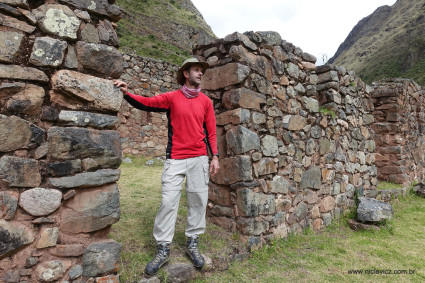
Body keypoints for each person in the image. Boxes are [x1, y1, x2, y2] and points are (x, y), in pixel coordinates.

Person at [113, 57, 219, 275]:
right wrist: (127, 94)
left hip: (199, 158)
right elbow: (148, 102)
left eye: (202, 71)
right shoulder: (172, 97)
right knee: (168, 201)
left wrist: (214, 156)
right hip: (176, 158)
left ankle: (193, 242)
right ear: (186, 74)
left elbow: (211, 132)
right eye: (196, 70)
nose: (201, 74)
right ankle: (163, 248)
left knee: (198, 200)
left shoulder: (206, 102)